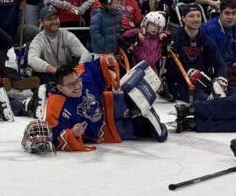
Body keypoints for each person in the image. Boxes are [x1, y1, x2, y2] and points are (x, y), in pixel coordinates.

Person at [39, 57, 167, 152]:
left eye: (77, 81)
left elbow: (98, 65)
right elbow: (55, 135)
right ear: (60, 88)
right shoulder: (55, 105)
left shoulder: (84, 75)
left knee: (129, 97)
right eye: (71, 85)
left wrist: (107, 61)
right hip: (104, 130)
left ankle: (139, 110)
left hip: (107, 104)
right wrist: (73, 133)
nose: (77, 86)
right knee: (145, 129)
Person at [163, 2, 220, 100]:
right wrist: (189, 74)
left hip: (203, 81)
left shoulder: (206, 39)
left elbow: (219, 63)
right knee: (205, 99)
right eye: (191, 16)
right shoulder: (175, 38)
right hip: (181, 83)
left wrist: (221, 79)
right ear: (183, 18)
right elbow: (170, 65)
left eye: (198, 16)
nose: (196, 19)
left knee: (229, 93)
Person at [26, 2, 92, 79]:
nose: (54, 22)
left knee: (81, 62)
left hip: (67, 74)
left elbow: (86, 54)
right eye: (49, 19)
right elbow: (31, 59)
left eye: (56, 18)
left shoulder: (67, 35)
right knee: (34, 71)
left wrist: (78, 70)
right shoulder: (38, 40)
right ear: (41, 22)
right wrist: (54, 70)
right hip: (49, 75)